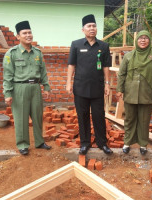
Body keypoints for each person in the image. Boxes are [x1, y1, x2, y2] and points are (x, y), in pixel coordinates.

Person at [66, 14, 113, 155]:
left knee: (99, 115)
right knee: (83, 115)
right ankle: (85, 143)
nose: (92, 28)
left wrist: (107, 84)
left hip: (97, 87)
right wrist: (68, 82)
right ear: (83, 29)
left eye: (94, 26)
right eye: (89, 26)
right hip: (80, 87)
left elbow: (106, 66)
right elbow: (71, 65)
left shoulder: (104, 46)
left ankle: (102, 143)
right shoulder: (76, 44)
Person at [3, 21, 51, 155]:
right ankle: (23, 144)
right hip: (19, 88)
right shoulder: (11, 54)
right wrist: (7, 93)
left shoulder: (37, 53)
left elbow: (43, 71)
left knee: (37, 116)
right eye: (24, 33)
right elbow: (7, 75)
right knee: (21, 118)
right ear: (18, 36)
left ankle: (39, 141)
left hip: (35, 88)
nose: (28, 35)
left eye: (30, 32)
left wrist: (46, 87)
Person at [116, 30, 152, 155]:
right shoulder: (128, 56)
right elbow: (122, 74)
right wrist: (119, 89)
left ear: (149, 41)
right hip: (130, 92)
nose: (143, 40)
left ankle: (143, 144)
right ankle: (127, 143)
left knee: (144, 120)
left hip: (146, 92)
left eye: (145, 38)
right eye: (140, 38)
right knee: (129, 119)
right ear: (136, 41)